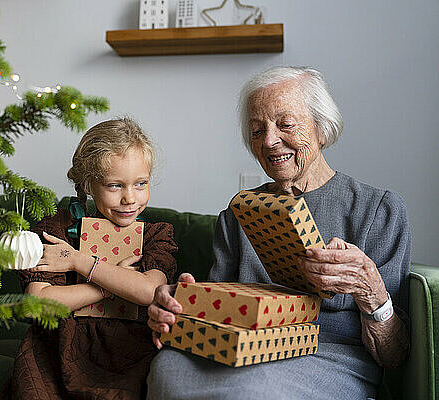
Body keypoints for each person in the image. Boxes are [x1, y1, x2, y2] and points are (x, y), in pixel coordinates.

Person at [146, 66, 410, 400]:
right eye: (257, 131)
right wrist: (178, 305)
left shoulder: (378, 209)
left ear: (322, 130)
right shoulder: (238, 214)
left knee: (250, 390)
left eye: (285, 124)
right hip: (239, 350)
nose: (269, 141)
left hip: (328, 358)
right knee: (168, 367)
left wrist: (372, 292)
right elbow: (217, 312)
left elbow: (395, 355)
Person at [10, 118, 177, 400]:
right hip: (58, 351)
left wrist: (78, 261)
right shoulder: (57, 230)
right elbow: (37, 304)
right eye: (115, 186)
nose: (130, 198)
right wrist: (110, 284)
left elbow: (149, 291)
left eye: (140, 184)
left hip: (128, 353)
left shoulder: (156, 236)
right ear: (89, 183)